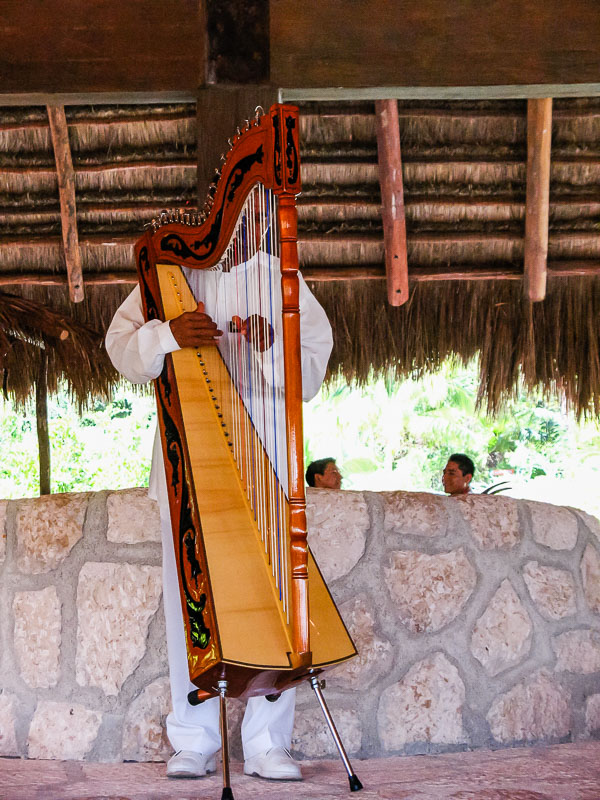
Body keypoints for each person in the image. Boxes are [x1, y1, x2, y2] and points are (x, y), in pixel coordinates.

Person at [105, 251, 333, 782]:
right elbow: (120, 349)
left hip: (268, 462)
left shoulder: (283, 276)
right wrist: (166, 335)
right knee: (189, 606)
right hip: (187, 465)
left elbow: (314, 372)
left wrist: (271, 347)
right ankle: (193, 741)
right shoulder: (165, 279)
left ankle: (267, 745)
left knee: (277, 602)